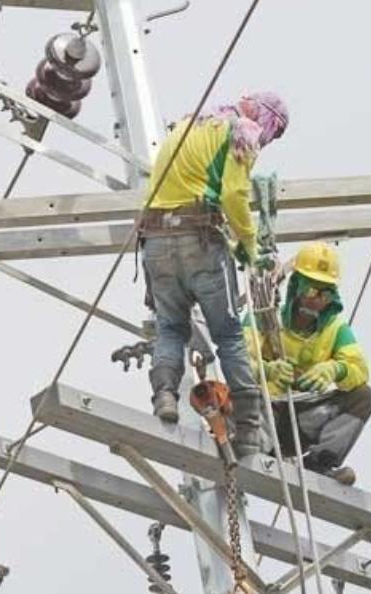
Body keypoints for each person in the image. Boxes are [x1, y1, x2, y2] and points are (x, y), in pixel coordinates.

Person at [140, 92, 290, 458]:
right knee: (228, 335)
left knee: (170, 327)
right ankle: (251, 431)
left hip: (156, 242)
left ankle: (165, 395)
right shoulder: (242, 131)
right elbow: (234, 193)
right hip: (200, 238)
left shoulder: (190, 124)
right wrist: (250, 246)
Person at [244, 242, 371, 485]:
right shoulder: (264, 317)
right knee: (245, 392)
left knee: (363, 396)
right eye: (312, 291)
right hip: (263, 414)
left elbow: (360, 370)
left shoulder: (336, 329)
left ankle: (320, 461)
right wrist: (267, 370)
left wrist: (335, 369)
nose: (317, 300)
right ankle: (257, 447)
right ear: (297, 287)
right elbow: (238, 361)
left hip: (301, 419)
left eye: (325, 294)